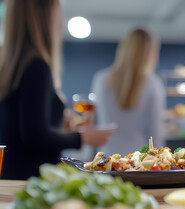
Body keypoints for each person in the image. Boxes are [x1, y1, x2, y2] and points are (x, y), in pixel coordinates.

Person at [0, 0, 113, 180]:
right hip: (32, 179)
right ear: (44, 14)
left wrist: (65, 126)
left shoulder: (12, 66)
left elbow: (25, 128)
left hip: (13, 174)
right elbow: (36, 136)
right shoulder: (36, 65)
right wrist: (83, 137)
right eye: (58, 11)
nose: (61, 18)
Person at [91, 28, 165, 155]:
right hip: (138, 162)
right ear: (150, 53)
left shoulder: (101, 79)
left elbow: (94, 123)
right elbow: (156, 133)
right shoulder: (153, 83)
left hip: (106, 159)